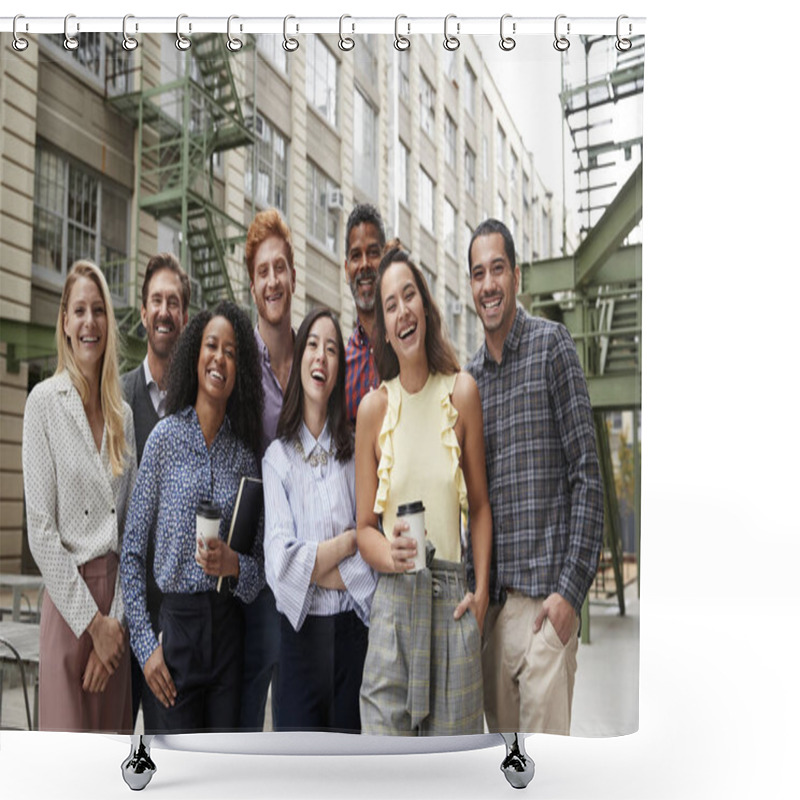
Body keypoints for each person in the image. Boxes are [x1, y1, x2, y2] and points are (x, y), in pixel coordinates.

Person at [465, 219, 604, 736]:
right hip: (496, 621)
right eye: (478, 274)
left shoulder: (553, 349)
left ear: (517, 276)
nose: (488, 285)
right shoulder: (470, 382)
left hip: (548, 611)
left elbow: (588, 477)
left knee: (543, 778)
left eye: (497, 269)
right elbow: (470, 504)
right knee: (505, 772)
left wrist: (570, 595)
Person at [355, 247, 492, 736]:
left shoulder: (462, 394)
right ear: (386, 329)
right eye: (390, 305)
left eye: (408, 295)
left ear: (425, 308)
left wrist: (479, 595)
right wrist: (389, 554)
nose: (402, 310)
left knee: (451, 780)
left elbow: (478, 508)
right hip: (392, 608)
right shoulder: (373, 410)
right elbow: (363, 530)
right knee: (386, 775)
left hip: (451, 606)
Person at [121, 301, 265, 732]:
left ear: (239, 371)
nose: (219, 358)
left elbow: (258, 570)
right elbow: (130, 554)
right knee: (177, 779)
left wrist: (234, 565)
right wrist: (146, 648)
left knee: (218, 775)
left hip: (227, 635)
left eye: (232, 352)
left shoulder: (244, 458)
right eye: (211, 346)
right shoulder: (164, 440)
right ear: (195, 355)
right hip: (175, 633)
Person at [22, 259, 137, 732]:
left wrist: (115, 626)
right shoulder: (43, 404)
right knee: (64, 770)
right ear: (65, 323)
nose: (90, 322)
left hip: (117, 614)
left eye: (98, 311)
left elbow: (131, 538)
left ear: (108, 321)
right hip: (71, 611)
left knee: (111, 767)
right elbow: (41, 534)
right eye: (79, 312)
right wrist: (94, 624)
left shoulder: (123, 417)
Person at [262, 307, 376, 732]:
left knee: (350, 779)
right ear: (299, 359)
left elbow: (373, 567)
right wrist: (348, 544)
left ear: (338, 371)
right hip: (297, 645)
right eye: (312, 345)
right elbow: (279, 566)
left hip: (352, 642)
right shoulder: (277, 461)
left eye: (332, 349)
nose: (321, 357)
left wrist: (310, 566)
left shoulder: (355, 456)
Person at [120, 252, 190, 730]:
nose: (164, 311)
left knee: (172, 763)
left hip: (181, 623)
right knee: (114, 760)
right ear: (143, 311)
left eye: (174, 302)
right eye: (156, 301)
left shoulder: (196, 407)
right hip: (122, 617)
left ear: (184, 316)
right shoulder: (117, 398)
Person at [239, 207, 296, 731]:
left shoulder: (314, 359)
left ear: (293, 276)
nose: (273, 280)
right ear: (252, 284)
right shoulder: (236, 365)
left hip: (309, 573)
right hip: (254, 580)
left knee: (304, 731)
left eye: (280, 267)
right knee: (249, 727)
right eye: (263, 271)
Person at [343, 204, 385, 427]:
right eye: (356, 256)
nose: (365, 264)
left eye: (373, 253)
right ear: (346, 268)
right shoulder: (340, 367)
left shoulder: (408, 347)